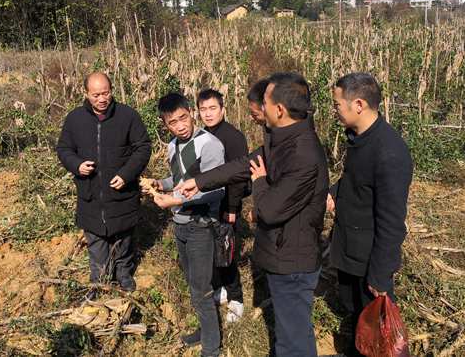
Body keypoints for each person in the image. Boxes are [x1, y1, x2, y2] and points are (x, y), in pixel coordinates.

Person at [177, 72, 329, 357]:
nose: (260, 108)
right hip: (283, 253)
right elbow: (243, 165)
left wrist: (258, 181)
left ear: (279, 109)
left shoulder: (302, 154)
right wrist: (199, 181)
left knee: (292, 343)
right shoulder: (282, 140)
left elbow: (269, 209)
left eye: (265, 102)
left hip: (293, 262)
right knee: (292, 334)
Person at [326, 72, 413, 357]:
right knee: (358, 317)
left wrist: (380, 274)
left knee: (376, 330)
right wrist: (335, 191)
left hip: (368, 261)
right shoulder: (361, 138)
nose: (334, 110)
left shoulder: (388, 152)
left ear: (359, 105)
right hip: (351, 249)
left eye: (337, 104)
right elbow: (358, 179)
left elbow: (392, 222)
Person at [56, 72, 152, 303]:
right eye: (96, 95)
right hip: (90, 194)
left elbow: (143, 148)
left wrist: (126, 174)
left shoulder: (128, 116)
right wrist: (77, 165)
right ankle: (99, 279)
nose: (102, 99)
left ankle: (124, 273)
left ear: (112, 90)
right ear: (85, 93)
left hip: (121, 192)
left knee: (124, 236)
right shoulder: (75, 119)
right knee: (96, 240)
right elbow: (64, 149)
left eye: (106, 93)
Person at [141, 92, 224, 357]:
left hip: (201, 225)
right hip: (180, 225)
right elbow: (178, 179)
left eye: (183, 118)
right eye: (173, 122)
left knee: (201, 290)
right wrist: (160, 184)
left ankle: (211, 349)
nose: (181, 126)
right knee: (193, 285)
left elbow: (217, 189)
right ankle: (205, 332)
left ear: (191, 111)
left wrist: (175, 200)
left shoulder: (209, 144)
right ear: (164, 124)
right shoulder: (173, 145)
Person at [197, 88, 249, 322]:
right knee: (214, 249)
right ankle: (226, 288)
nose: (208, 114)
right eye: (203, 109)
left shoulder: (233, 137)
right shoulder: (202, 135)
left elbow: (239, 177)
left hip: (226, 204)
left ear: (223, 109)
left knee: (224, 250)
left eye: (212, 108)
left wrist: (232, 209)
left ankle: (236, 299)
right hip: (208, 202)